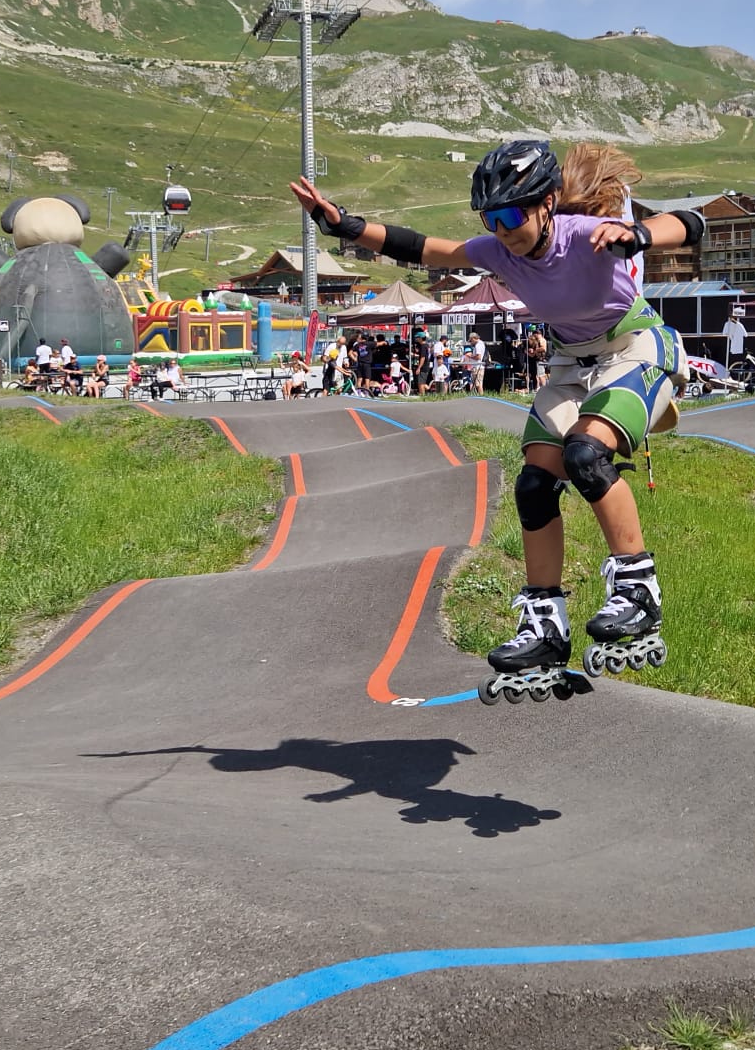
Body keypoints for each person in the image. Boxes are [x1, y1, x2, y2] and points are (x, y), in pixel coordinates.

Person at [293, 138, 699, 700]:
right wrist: (343, 225)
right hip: (571, 364)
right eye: (492, 219)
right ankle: (544, 625)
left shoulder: (585, 235)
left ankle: (636, 591)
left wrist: (638, 234)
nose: (503, 230)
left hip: (636, 349)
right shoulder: (499, 252)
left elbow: (692, 223)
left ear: (548, 203)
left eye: (512, 216)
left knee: (586, 456)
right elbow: (424, 249)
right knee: (534, 485)